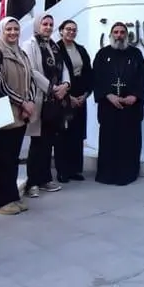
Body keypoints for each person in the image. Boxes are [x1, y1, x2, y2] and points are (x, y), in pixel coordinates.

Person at [0, 17, 36, 214]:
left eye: (16, 29)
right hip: (5, 112)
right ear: (1, 31)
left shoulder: (20, 52)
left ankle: (12, 196)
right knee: (2, 158)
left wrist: (29, 102)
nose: (13, 32)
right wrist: (23, 102)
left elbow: (30, 78)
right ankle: (0, 201)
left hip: (22, 113)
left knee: (13, 157)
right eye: (9, 29)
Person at [93, 22, 144, 185]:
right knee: (108, 141)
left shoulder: (136, 54)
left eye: (122, 32)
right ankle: (106, 174)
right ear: (111, 35)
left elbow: (142, 79)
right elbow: (96, 78)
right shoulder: (102, 54)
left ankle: (128, 173)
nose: (119, 35)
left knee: (129, 141)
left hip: (130, 108)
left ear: (127, 35)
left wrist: (135, 96)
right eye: (116, 32)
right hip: (109, 107)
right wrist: (108, 95)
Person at [23, 13, 70, 197]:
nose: (48, 27)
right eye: (45, 24)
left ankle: (45, 179)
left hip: (55, 100)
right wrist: (52, 88)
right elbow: (32, 71)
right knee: (37, 142)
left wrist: (65, 86)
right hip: (41, 98)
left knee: (49, 141)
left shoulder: (54, 46)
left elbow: (64, 67)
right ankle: (32, 182)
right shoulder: (30, 44)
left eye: (51, 24)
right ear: (38, 25)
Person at [56, 19, 92, 182]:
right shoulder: (56, 49)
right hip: (64, 94)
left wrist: (85, 95)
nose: (71, 32)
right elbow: (55, 74)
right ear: (61, 31)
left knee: (77, 134)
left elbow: (88, 73)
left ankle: (75, 169)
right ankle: (62, 170)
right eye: (68, 29)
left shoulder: (81, 49)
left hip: (80, 94)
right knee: (63, 134)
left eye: (74, 30)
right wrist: (67, 96)